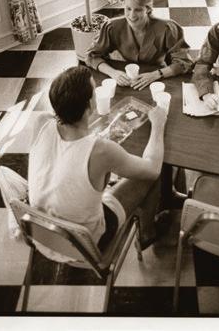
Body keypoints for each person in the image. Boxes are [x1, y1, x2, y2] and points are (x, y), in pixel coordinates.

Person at [28, 66, 167, 251]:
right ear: (90, 105)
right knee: (149, 177)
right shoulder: (101, 150)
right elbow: (152, 168)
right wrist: (158, 125)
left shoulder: (41, 122)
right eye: (95, 91)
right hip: (85, 244)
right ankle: (147, 234)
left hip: (43, 232)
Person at [86, 0, 193, 90]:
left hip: (156, 78)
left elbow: (184, 63)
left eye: (138, 10)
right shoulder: (112, 27)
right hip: (126, 78)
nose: (132, 15)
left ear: (148, 9)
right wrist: (113, 73)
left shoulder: (167, 28)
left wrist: (157, 74)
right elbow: (91, 56)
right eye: (128, 8)